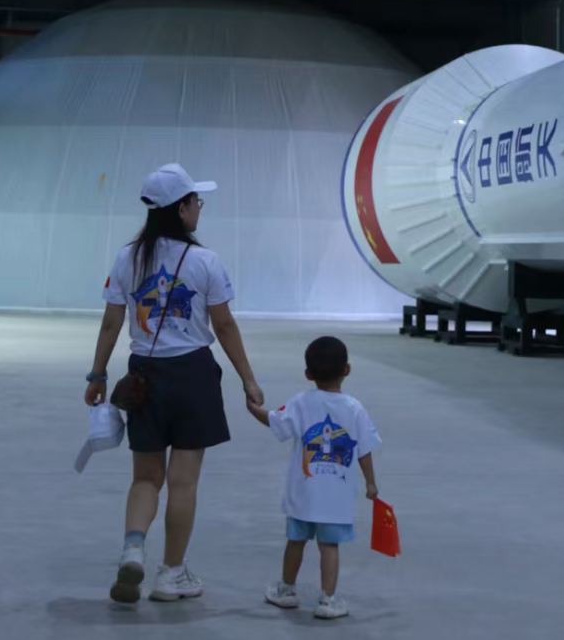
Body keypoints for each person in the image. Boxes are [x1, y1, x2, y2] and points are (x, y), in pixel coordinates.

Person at [84, 163, 264, 604]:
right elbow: (224, 326)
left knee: (146, 478)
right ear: (181, 209)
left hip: (143, 376)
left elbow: (111, 323)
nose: (199, 208)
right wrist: (248, 379)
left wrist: (98, 374)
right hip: (193, 376)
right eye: (196, 201)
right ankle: (171, 574)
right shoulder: (205, 261)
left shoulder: (127, 258)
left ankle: (133, 549)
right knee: (183, 483)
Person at [246, 336, 380, 620]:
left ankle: (286, 590)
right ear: (347, 369)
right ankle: (328, 600)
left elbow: (275, 421)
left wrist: (253, 409)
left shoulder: (301, 402)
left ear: (308, 374)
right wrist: (370, 482)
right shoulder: (355, 408)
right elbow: (364, 449)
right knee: (329, 546)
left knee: (296, 541)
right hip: (336, 499)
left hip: (303, 495)